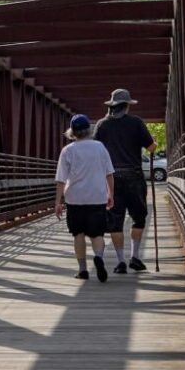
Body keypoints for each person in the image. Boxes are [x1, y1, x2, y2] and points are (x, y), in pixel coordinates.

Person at [93, 88, 153, 275]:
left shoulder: (102, 125)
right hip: (134, 176)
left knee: (115, 221)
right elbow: (151, 147)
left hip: (112, 178)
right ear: (126, 106)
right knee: (139, 217)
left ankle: (120, 262)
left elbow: (96, 151)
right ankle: (135, 257)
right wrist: (155, 144)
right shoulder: (136, 123)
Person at [53, 113, 116, 282]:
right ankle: (99, 257)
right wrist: (111, 194)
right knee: (97, 234)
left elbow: (61, 179)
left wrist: (58, 202)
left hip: (75, 198)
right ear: (90, 130)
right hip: (97, 196)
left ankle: (82, 270)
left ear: (72, 132)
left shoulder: (68, 150)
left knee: (78, 234)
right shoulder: (100, 147)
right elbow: (109, 174)